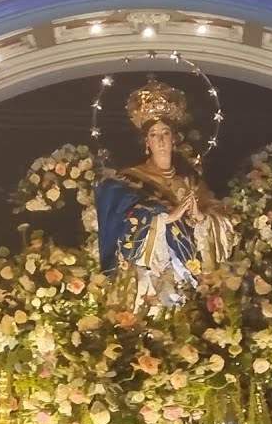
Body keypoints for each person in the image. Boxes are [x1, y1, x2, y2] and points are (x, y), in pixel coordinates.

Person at [94, 79, 234, 306]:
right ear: (146, 142)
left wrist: (201, 218)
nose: (160, 140)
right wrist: (164, 217)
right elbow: (115, 215)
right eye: (153, 134)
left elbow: (220, 218)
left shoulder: (191, 181)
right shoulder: (130, 178)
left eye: (165, 133)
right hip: (149, 271)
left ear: (174, 139)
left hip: (188, 271)